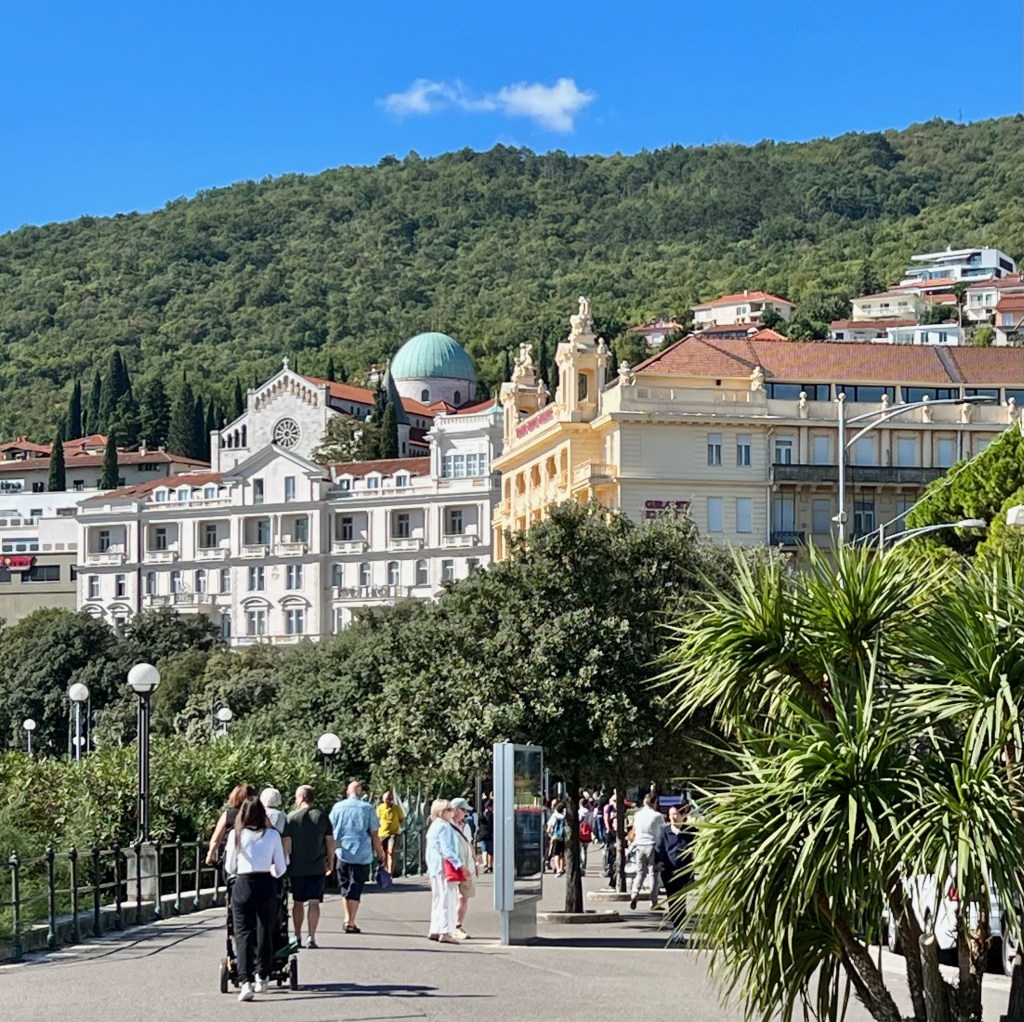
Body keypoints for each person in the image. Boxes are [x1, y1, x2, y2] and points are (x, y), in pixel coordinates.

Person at [225, 795, 288, 1002]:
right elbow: (280, 869)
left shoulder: (236, 834)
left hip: (243, 884)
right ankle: (262, 975)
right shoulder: (272, 836)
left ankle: (245, 982)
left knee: (242, 933)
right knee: (265, 931)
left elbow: (230, 867)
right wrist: (269, 867)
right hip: (265, 884)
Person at [329, 779, 384, 934]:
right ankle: (351, 921)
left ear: (347, 792)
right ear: (360, 793)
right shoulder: (367, 808)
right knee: (356, 887)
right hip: (362, 853)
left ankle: (347, 918)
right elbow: (374, 834)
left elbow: (330, 831)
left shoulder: (337, 807)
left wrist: (330, 853)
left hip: (342, 852)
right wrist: (380, 853)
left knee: (345, 886)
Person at [284, 785, 335, 949]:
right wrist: (331, 861)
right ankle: (311, 936)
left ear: (301, 797)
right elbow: (329, 842)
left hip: (297, 867)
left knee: (298, 902)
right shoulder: (322, 816)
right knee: (314, 902)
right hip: (317, 866)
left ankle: (297, 935)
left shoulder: (291, 817)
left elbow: (287, 844)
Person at [655, 802, 696, 935]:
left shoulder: (691, 832)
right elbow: (659, 848)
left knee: (681, 900)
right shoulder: (664, 831)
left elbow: (697, 848)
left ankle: (679, 929)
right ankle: (677, 928)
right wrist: (658, 862)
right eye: (670, 814)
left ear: (683, 815)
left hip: (684, 872)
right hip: (669, 872)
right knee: (672, 900)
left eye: (675, 814)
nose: (672, 817)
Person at [425, 799, 462, 944]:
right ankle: (446, 931)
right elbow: (447, 849)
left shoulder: (434, 826)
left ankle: (435, 928)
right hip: (445, 867)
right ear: (441, 811)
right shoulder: (445, 827)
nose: (452, 812)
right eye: (449, 809)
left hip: (435, 867)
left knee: (438, 899)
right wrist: (459, 864)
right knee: (448, 899)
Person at [205, 782, 257, 870]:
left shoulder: (228, 814)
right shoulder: (258, 814)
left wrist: (210, 854)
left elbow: (216, 838)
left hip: (233, 855)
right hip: (254, 855)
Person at [629, 792, 665, 910]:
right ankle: (654, 902)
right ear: (654, 802)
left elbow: (634, 830)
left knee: (640, 872)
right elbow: (662, 831)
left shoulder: (637, 815)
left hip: (639, 845)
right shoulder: (657, 816)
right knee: (653, 873)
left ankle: (634, 893)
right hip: (652, 845)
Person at [449, 797, 478, 939]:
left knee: (464, 897)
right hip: (454, 867)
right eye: (463, 810)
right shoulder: (447, 826)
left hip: (467, 866)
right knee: (451, 897)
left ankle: (458, 925)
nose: (466, 813)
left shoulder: (466, 826)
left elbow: (469, 844)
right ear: (454, 810)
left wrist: (475, 862)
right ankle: (450, 926)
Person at [376, 790, 405, 877]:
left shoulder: (396, 808)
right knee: (383, 853)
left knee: (391, 852)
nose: (389, 801)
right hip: (382, 833)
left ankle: (390, 872)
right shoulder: (380, 808)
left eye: (390, 799)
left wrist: (396, 825)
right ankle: (384, 870)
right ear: (383, 800)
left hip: (393, 833)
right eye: (387, 799)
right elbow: (376, 819)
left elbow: (401, 818)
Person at [546, 799, 567, 877]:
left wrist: (551, 836)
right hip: (564, 836)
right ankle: (562, 868)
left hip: (556, 836)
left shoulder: (554, 815)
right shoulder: (565, 816)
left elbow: (549, 828)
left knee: (556, 854)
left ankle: (558, 869)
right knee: (562, 854)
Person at [476, 799, 494, 873]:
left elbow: (478, 824)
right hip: (490, 834)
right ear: (490, 806)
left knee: (484, 850)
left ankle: (485, 864)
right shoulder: (492, 815)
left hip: (483, 834)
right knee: (491, 851)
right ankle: (490, 865)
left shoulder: (481, 814)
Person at [578, 797, 594, 874]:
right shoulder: (590, 813)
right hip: (587, 834)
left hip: (579, 833)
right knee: (585, 851)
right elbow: (592, 824)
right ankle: (584, 867)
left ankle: (580, 866)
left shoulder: (578, 812)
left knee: (580, 851)